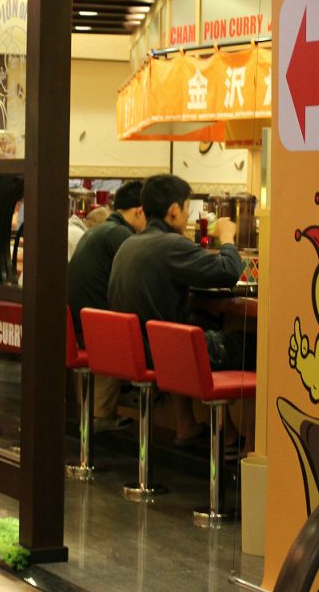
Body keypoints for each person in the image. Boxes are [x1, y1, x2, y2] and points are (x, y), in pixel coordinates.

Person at [108, 174, 255, 451]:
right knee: (250, 345)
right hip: (163, 353)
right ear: (174, 210)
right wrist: (226, 238)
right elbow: (229, 271)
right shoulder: (170, 245)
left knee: (195, 326)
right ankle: (251, 449)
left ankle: (210, 429)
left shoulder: (130, 243)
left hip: (137, 350)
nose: (188, 216)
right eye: (187, 208)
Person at [68, 179, 146, 431]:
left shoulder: (98, 230)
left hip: (77, 327)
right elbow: (136, 283)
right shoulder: (121, 235)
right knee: (137, 334)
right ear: (139, 211)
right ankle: (102, 420)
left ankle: (100, 417)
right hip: (95, 334)